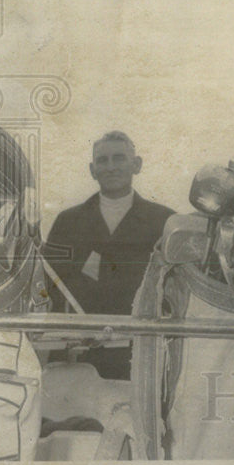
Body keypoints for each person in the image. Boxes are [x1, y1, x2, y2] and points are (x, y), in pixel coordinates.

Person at [45, 131, 174, 379]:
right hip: (78, 354)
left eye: (119, 158)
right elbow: (45, 286)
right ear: (92, 170)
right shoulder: (67, 221)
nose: (111, 167)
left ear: (137, 165)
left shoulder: (164, 221)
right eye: (103, 161)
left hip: (142, 353)